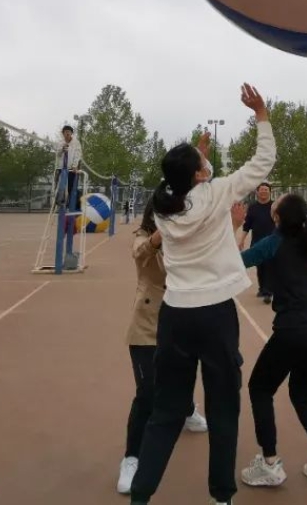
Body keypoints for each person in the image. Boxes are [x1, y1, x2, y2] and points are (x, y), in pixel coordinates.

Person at [129, 83, 276, 505]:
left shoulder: (163, 208)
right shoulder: (217, 192)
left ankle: (140, 496)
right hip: (214, 316)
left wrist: (196, 155)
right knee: (223, 410)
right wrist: (261, 114)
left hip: (174, 315)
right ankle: (221, 496)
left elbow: (176, 183)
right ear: (198, 174)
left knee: (165, 413)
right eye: (200, 163)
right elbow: (263, 160)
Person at [234, 193, 307, 489]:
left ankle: (270, 463)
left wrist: (234, 226)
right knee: (303, 395)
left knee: (260, 388)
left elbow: (236, 261)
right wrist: (303, 218)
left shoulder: (273, 243)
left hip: (291, 331)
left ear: (277, 217)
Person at [117, 196, 209, 495]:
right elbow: (140, 252)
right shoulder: (144, 237)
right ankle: (132, 458)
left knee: (182, 374)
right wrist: (161, 233)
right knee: (147, 393)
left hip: (181, 320)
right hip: (147, 325)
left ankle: (187, 409)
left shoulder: (186, 240)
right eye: (165, 214)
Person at [239, 183, 275, 304]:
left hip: (272, 241)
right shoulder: (253, 208)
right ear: (257, 192)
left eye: (266, 190)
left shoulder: (275, 206)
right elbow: (247, 225)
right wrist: (242, 240)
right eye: (262, 190)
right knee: (260, 266)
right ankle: (262, 288)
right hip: (257, 241)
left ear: (270, 191)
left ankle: (268, 292)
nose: (264, 192)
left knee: (270, 266)